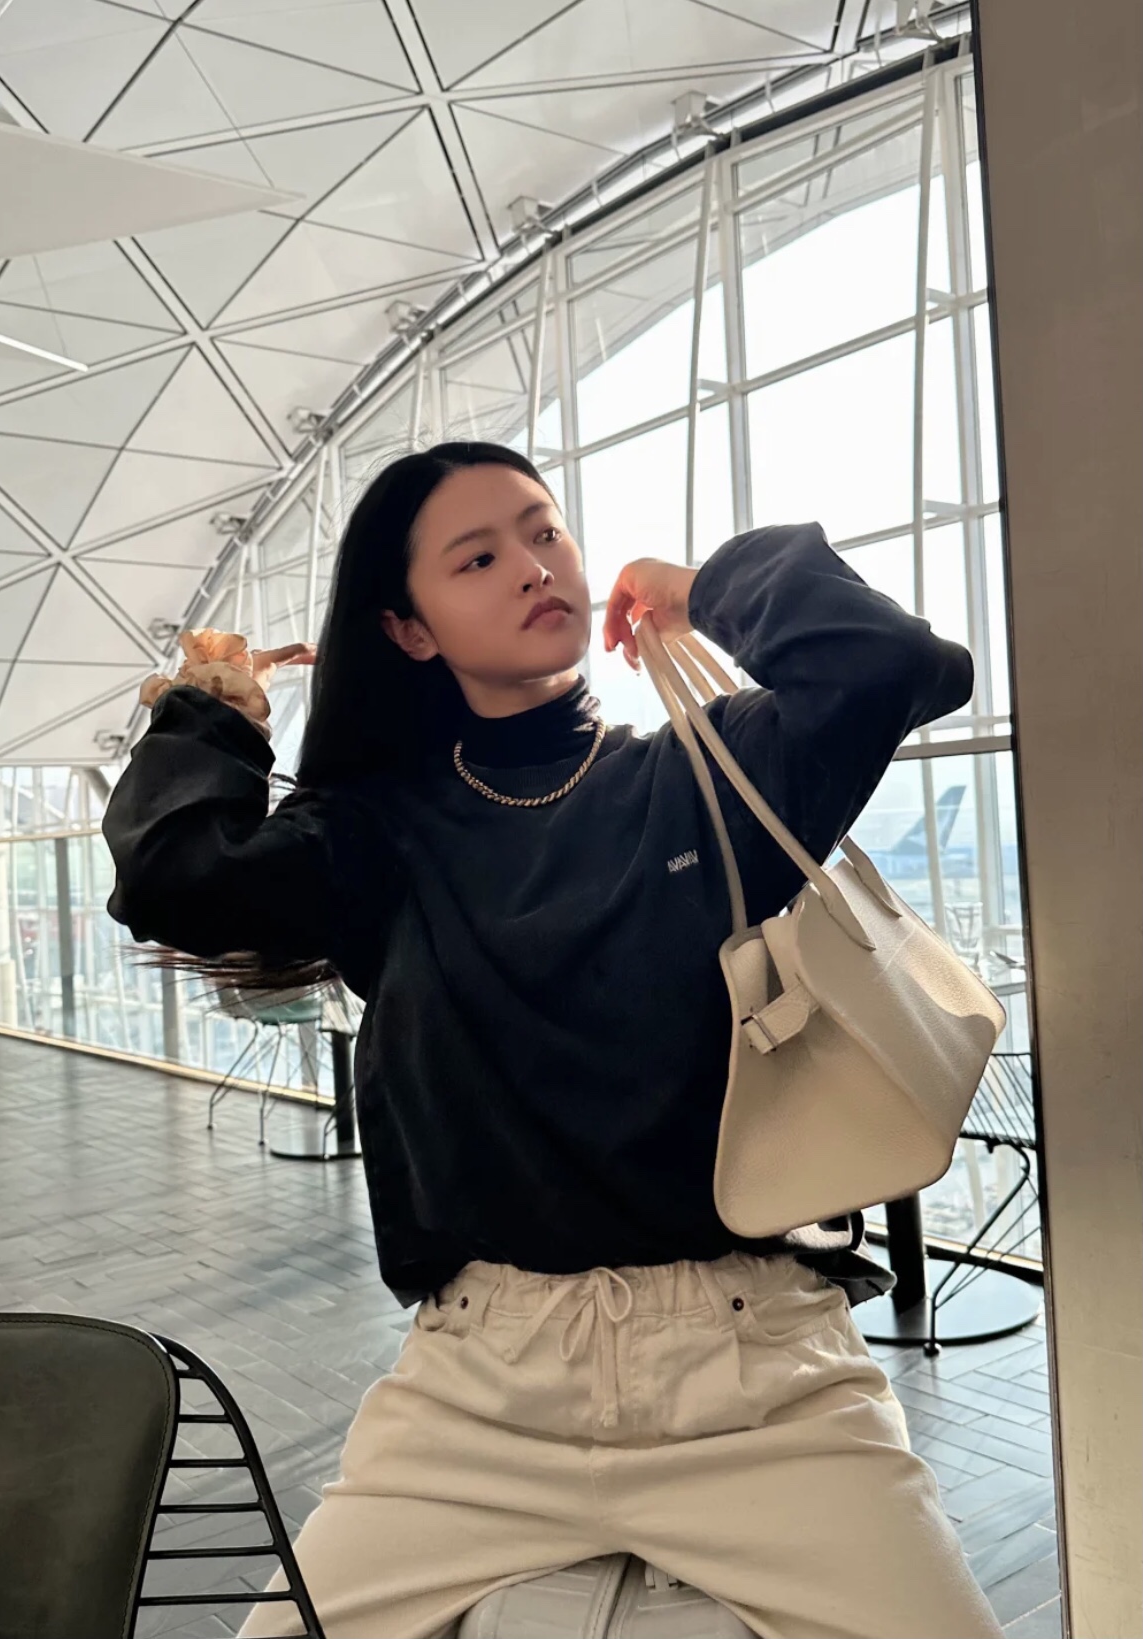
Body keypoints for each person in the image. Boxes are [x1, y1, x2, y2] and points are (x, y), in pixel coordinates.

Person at [102, 442, 1004, 1639]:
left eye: (543, 531)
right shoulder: (375, 832)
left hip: (757, 1382)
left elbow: (890, 665)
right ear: (408, 629)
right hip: (480, 1395)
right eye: (476, 558)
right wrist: (211, 711)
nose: (532, 567)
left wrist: (712, 587)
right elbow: (174, 879)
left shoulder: (703, 778)